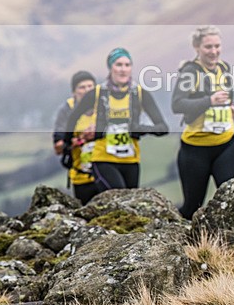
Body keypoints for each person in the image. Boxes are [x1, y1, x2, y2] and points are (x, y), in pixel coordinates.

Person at [64, 48, 168, 193]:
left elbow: (163, 128)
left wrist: (140, 129)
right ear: (110, 67)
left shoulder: (139, 93)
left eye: (127, 65)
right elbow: (73, 118)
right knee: (120, 200)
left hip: (131, 161)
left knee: (129, 206)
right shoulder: (97, 93)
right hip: (103, 160)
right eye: (118, 65)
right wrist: (67, 144)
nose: (123, 69)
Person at [172, 26, 234, 220]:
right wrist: (209, 101)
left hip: (226, 145)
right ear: (197, 47)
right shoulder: (190, 72)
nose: (214, 51)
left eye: (217, 46)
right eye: (208, 47)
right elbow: (177, 104)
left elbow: (227, 100)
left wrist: (232, 111)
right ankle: (180, 244)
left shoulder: (225, 68)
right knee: (192, 207)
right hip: (195, 149)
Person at [52, 70, 99, 204]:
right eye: (82, 87)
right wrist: (79, 140)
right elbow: (58, 147)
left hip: (107, 170)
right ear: (74, 92)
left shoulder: (105, 105)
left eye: (90, 86)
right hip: (81, 176)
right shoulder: (66, 111)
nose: (87, 90)